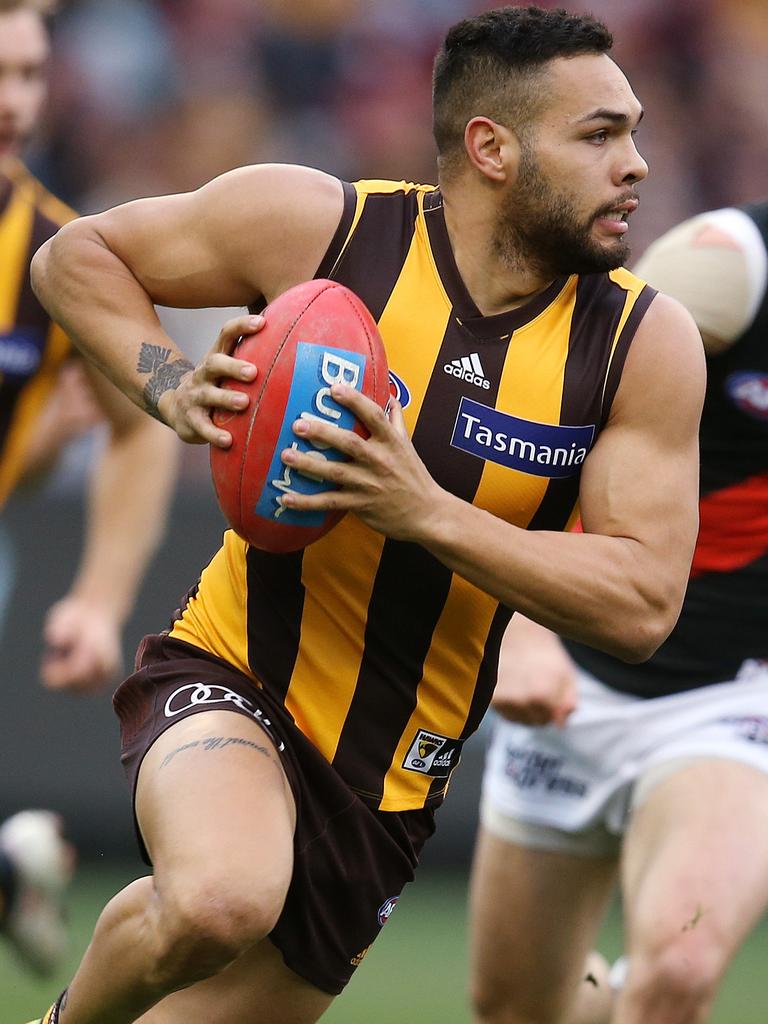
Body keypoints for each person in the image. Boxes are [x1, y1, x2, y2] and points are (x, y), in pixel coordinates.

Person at [29, 6, 705, 1023]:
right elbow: (73, 260)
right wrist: (167, 380)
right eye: (600, 134)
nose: (638, 163)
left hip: (390, 781)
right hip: (234, 669)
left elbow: (644, 602)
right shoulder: (325, 227)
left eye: (636, 131)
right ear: (492, 148)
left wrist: (423, 511)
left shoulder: (640, 346)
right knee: (220, 896)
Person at [470, 200, 768, 1024]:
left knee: (678, 966)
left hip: (731, 700)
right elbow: (554, 400)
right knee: (518, 1008)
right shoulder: (728, 267)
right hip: (576, 670)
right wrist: (521, 630)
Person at [0, 0, 177, 979]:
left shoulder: (60, 255)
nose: (12, 102)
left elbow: (147, 420)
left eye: (26, 75)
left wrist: (103, 594)